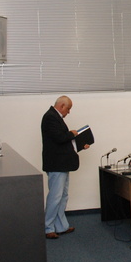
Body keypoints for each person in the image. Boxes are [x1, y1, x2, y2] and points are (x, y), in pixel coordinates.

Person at [41, 95, 90, 239]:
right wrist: (72, 133)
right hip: (56, 164)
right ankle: (48, 227)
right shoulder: (50, 117)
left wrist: (79, 145)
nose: (69, 112)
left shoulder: (55, 117)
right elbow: (59, 138)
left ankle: (61, 226)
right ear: (62, 106)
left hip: (62, 163)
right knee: (55, 197)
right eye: (68, 109)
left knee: (63, 196)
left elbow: (62, 142)